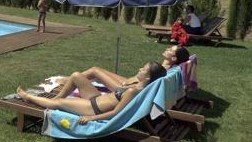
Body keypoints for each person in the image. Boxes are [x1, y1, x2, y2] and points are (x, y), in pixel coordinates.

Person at [17, 62, 167, 124]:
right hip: (97, 98)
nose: (139, 70)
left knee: (58, 104)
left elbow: (115, 113)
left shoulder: (134, 92)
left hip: (92, 107)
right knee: (76, 75)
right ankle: (54, 98)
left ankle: (28, 97)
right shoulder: (139, 85)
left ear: (148, 77)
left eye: (143, 70)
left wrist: (91, 117)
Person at [56, 45, 189, 91]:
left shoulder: (163, 70)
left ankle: (68, 81)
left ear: (173, 58)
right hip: (129, 82)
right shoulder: (166, 69)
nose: (167, 49)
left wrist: (128, 85)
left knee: (95, 71)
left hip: (124, 88)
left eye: (170, 50)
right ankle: (69, 80)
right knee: (96, 69)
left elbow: (142, 86)